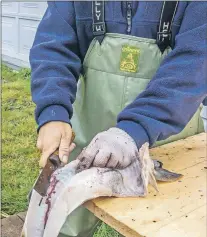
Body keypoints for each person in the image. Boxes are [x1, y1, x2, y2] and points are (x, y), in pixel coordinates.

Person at [30, 1, 207, 236]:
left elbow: (196, 64)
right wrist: (52, 110)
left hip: (167, 142)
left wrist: (134, 131)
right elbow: (53, 47)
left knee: (168, 228)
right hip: (88, 143)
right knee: (63, 225)